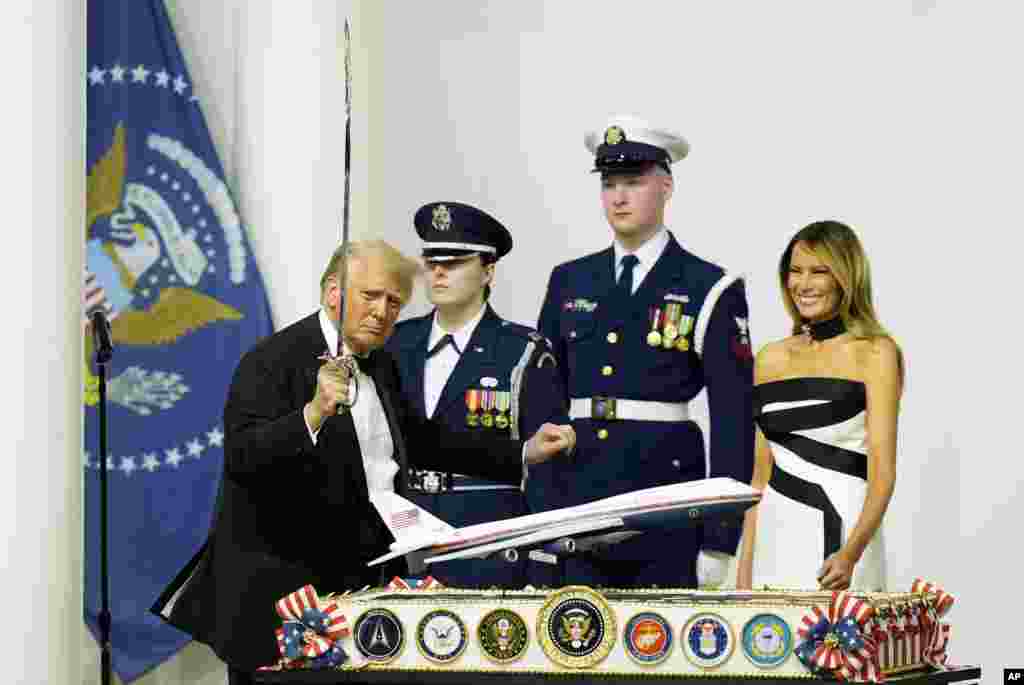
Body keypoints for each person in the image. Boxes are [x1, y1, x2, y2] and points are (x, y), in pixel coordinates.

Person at [151, 240, 575, 684]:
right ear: (333, 293)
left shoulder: (381, 365)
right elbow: (243, 457)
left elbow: (420, 439)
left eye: (394, 302)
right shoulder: (271, 359)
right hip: (279, 602)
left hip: (361, 589)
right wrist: (311, 414)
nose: (382, 311)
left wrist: (522, 452)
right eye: (370, 296)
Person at [536, 116, 754, 589]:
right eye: (610, 184)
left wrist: (720, 539)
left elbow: (733, 423)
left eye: (633, 182)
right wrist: (542, 519)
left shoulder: (709, 286)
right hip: (580, 501)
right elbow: (545, 405)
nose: (618, 197)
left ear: (667, 186)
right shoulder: (569, 281)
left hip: (667, 500)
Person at [385, 202, 569, 589]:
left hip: (488, 545)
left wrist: (543, 562)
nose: (437, 271)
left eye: (453, 262)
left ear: (488, 270)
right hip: (402, 539)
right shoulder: (395, 344)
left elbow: (546, 470)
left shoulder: (522, 352)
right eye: (431, 260)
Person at [736, 220, 901, 591]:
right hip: (775, 534)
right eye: (795, 271)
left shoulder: (876, 352)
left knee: (838, 649)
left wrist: (851, 554)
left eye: (818, 271)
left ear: (846, 276)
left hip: (845, 534)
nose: (803, 284)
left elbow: (883, 474)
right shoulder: (769, 358)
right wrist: (744, 571)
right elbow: (759, 478)